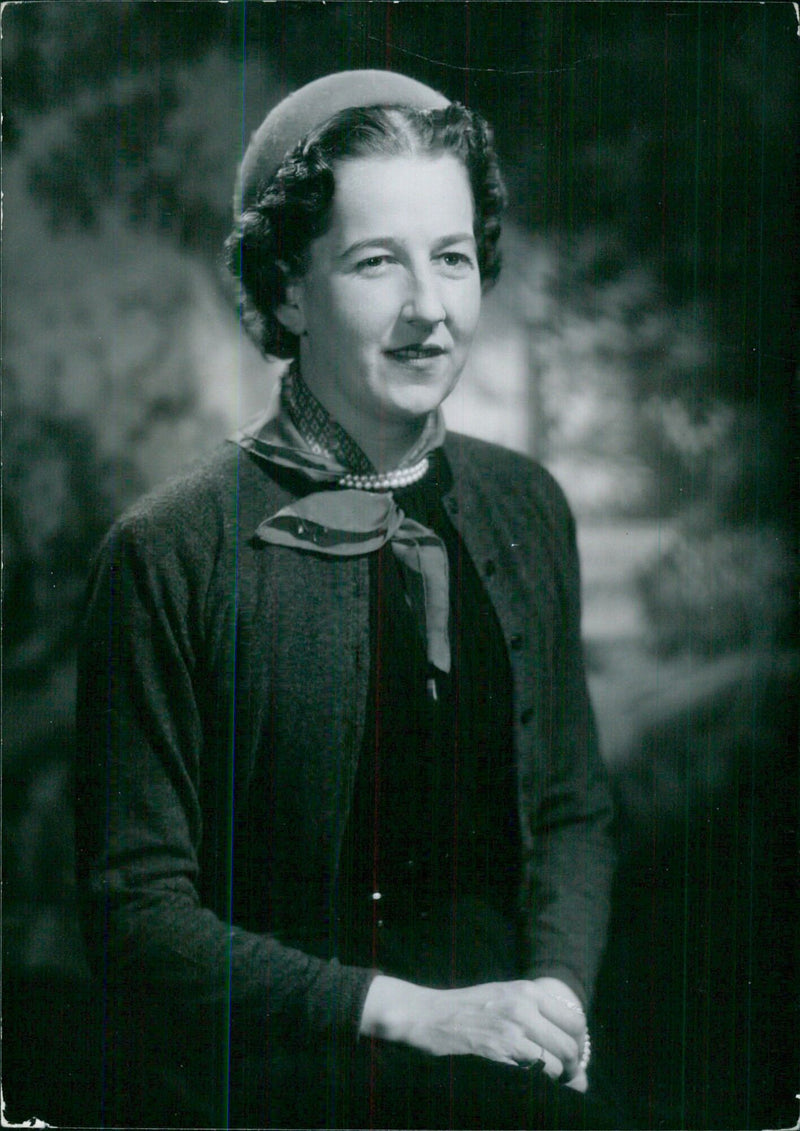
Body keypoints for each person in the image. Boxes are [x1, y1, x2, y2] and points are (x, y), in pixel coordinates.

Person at [75, 70, 617, 1129]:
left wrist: (554, 992)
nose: (429, 310)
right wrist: (406, 1013)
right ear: (285, 288)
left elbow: (568, 809)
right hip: (271, 1089)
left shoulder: (526, 507)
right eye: (376, 263)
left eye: (452, 258)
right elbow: (135, 916)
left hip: (505, 1072)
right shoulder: (166, 551)